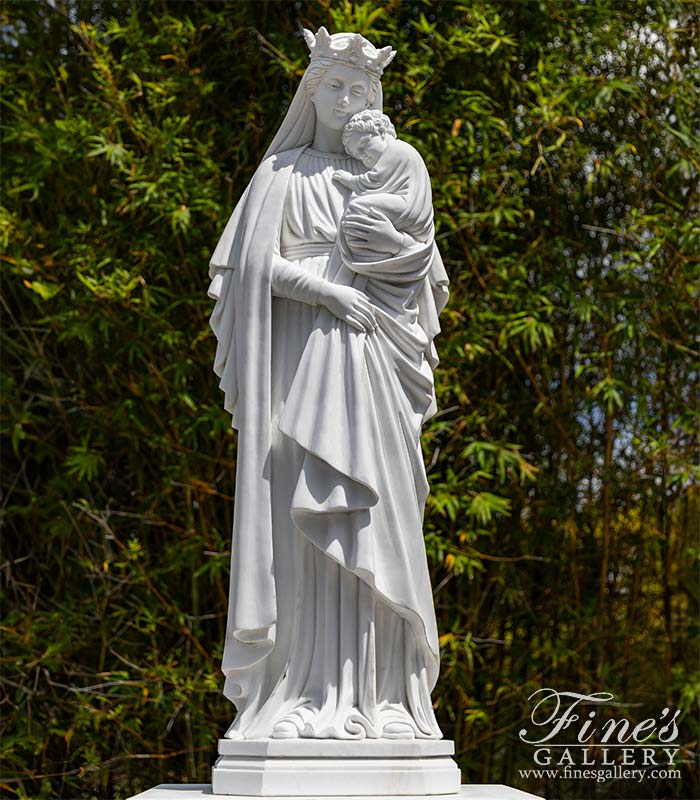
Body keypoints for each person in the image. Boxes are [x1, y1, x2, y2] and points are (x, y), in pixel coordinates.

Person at [207, 26, 449, 741]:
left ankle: (382, 699)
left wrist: (393, 259)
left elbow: (422, 280)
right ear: (310, 94)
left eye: (359, 90)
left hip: (374, 366)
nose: (346, 102)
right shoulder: (281, 176)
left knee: (377, 511)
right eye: (334, 88)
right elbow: (248, 273)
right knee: (306, 517)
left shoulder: (395, 170)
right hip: (302, 362)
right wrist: (326, 293)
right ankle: (304, 693)